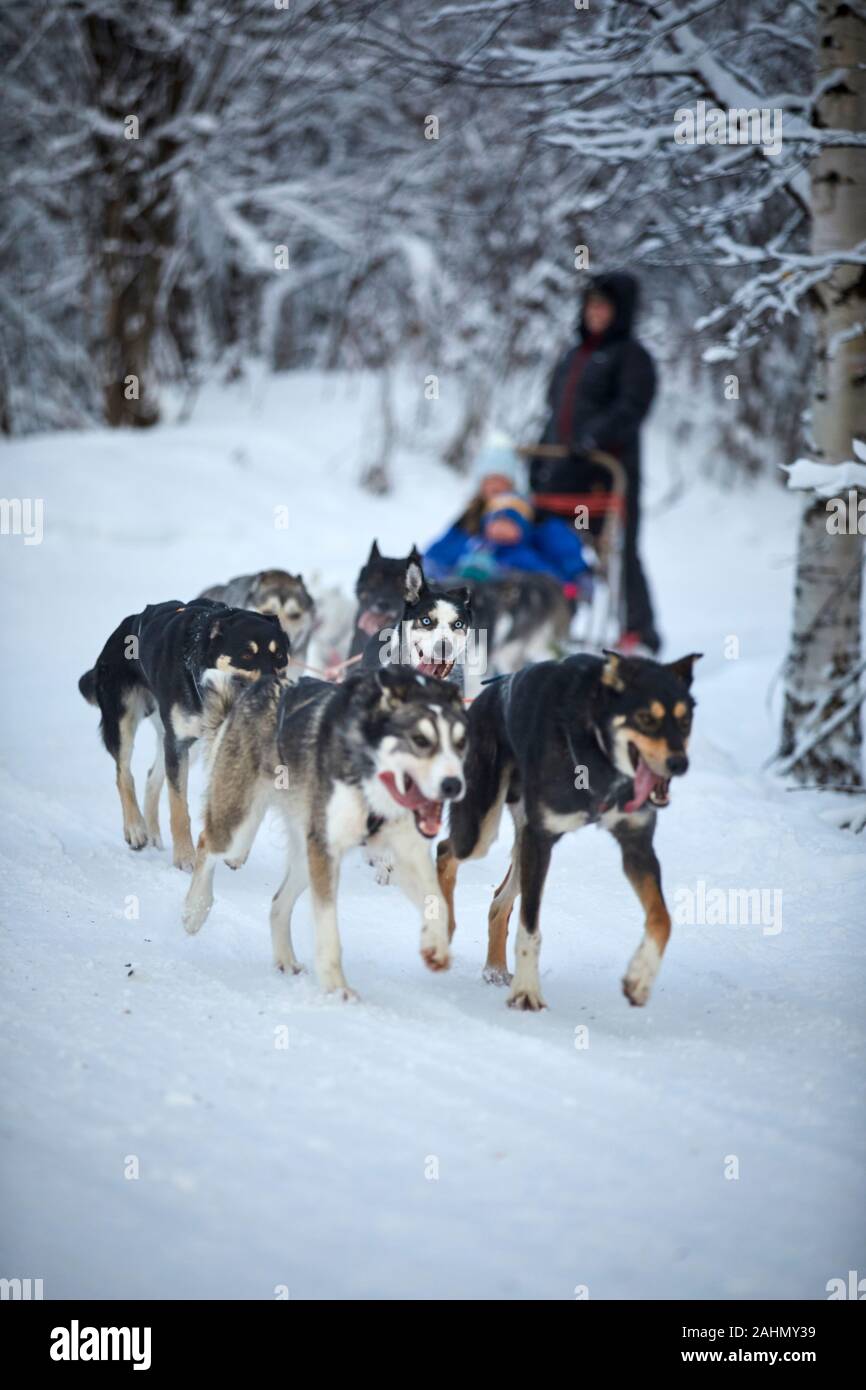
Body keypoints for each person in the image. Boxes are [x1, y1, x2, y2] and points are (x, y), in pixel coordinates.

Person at [532, 271, 660, 654]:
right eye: (590, 306)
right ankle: (553, 622)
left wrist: (594, 438)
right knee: (552, 545)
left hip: (607, 473)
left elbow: (632, 408)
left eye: (603, 306)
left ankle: (639, 632)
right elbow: (552, 412)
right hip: (562, 473)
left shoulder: (632, 357)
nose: (595, 314)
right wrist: (540, 458)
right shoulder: (573, 356)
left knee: (621, 551)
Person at [424, 475, 591, 597]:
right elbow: (447, 559)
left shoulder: (524, 553)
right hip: (467, 590)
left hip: (508, 597)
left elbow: (546, 575)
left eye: (509, 523)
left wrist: (565, 586)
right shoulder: (475, 543)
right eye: (497, 522)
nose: (501, 528)